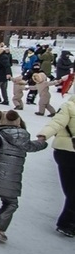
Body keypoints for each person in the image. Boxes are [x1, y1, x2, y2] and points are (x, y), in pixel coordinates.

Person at [0, 109, 46, 242]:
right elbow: (33, 146)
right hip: (12, 180)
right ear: (18, 122)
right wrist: (42, 142)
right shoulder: (24, 138)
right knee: (11, 203)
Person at [37, 94, 75, 237]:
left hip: (66, 153)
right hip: (67, 152)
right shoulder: (69, 106)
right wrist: (44, 135)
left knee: (72, 191)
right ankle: (67, 223)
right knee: (71, 190)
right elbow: (56, 123)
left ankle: (68, 221)